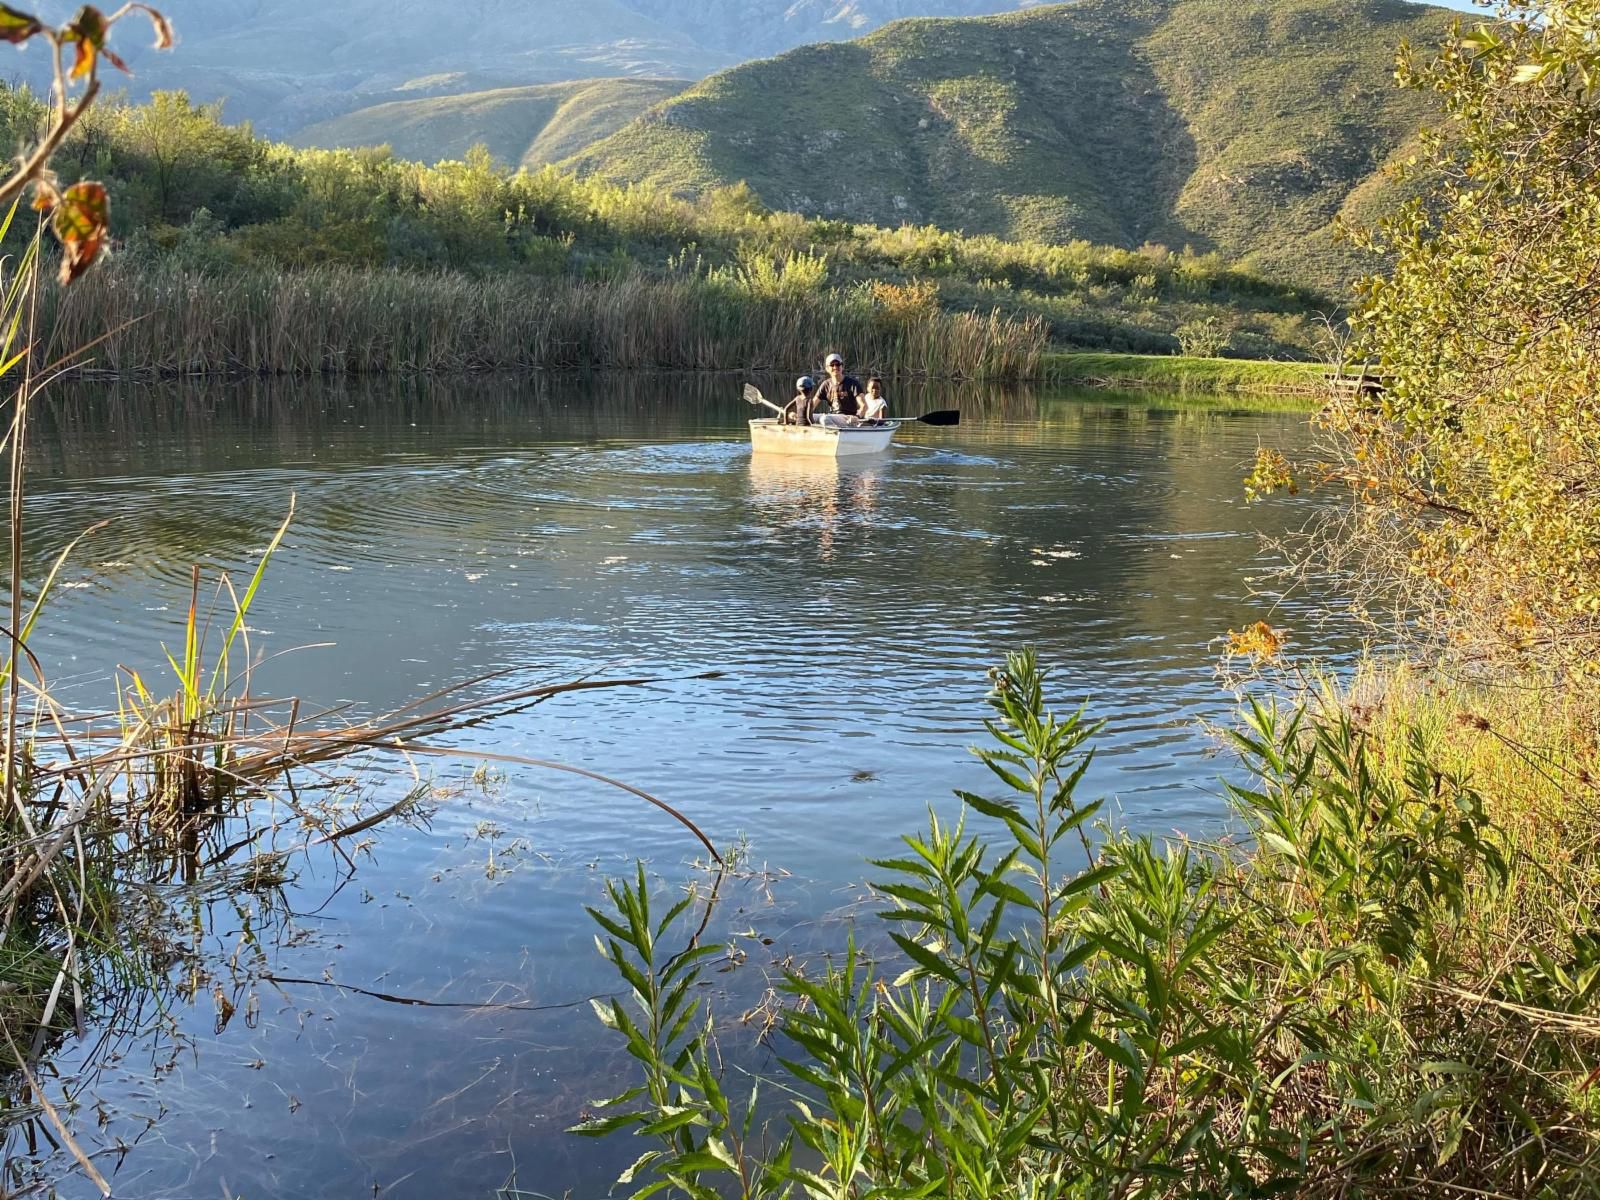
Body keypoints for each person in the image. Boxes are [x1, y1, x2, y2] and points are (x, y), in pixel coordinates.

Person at [813, 352, 863, 418]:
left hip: (848, 418)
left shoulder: (853, 384)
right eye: (832, 365)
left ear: (842, 366)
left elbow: (864, 405)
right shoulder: (826, 384)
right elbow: (813, 404)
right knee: (810, 416)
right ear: (827, 368)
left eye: (838, 364)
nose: (835, 367)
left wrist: (857, 417)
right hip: (832, 416)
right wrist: (802, 414)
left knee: (825, 419)